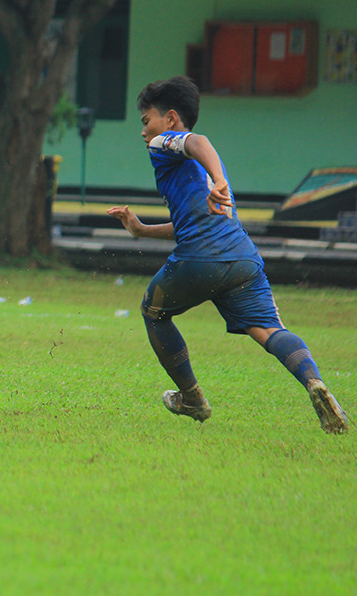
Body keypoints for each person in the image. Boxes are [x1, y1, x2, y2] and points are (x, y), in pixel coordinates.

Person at [108, 76, 347, 434]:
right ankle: (314, 381)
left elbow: (197, 140)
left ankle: (192, 398)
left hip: (200, 259)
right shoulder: (203, 169)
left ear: (170, 119)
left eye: (146, 121)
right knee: (268, 329)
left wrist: (217, 179)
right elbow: (189, 219)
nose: (144, 132)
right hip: (242, 259)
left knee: (153, 312)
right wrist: (142, 230)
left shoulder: (164, 144)